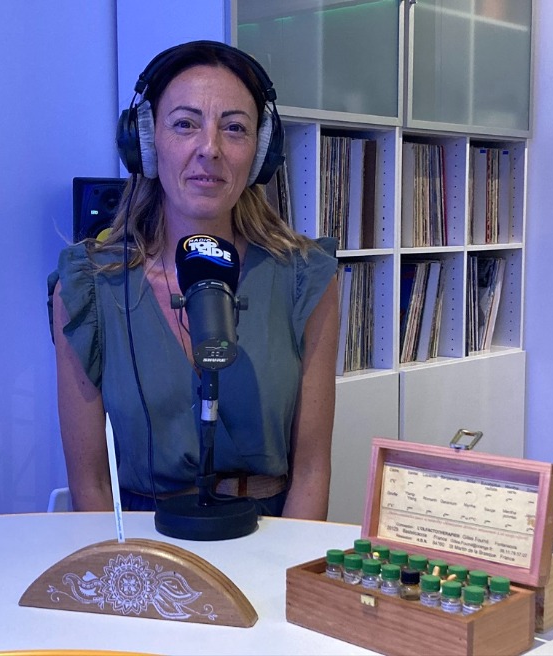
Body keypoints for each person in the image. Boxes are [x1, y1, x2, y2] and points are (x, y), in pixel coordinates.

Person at [48, 40, 339, 520]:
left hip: (268, 536)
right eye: (185, 124)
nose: (210, 149)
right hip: (143, 543)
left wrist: (287, 566)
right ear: (145, 143)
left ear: (261, 152)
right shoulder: (87, 288)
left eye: (235, 128)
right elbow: (91, 485)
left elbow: (311, 472)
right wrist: (128, 566)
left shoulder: (305, 277)